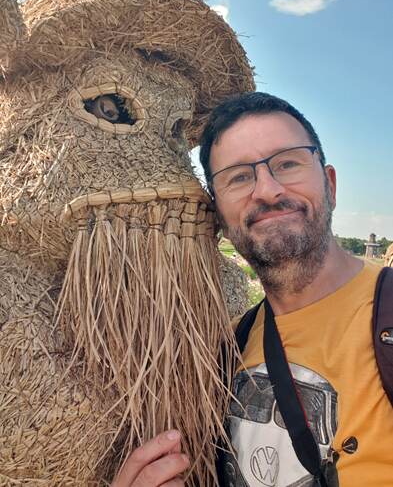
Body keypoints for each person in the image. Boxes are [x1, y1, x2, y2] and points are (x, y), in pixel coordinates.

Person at [112, 92, 393, 486]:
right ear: (219, 216)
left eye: (288, 163)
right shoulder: (221, 355)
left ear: (329, 183)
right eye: (239, 177)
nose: (267, 190)